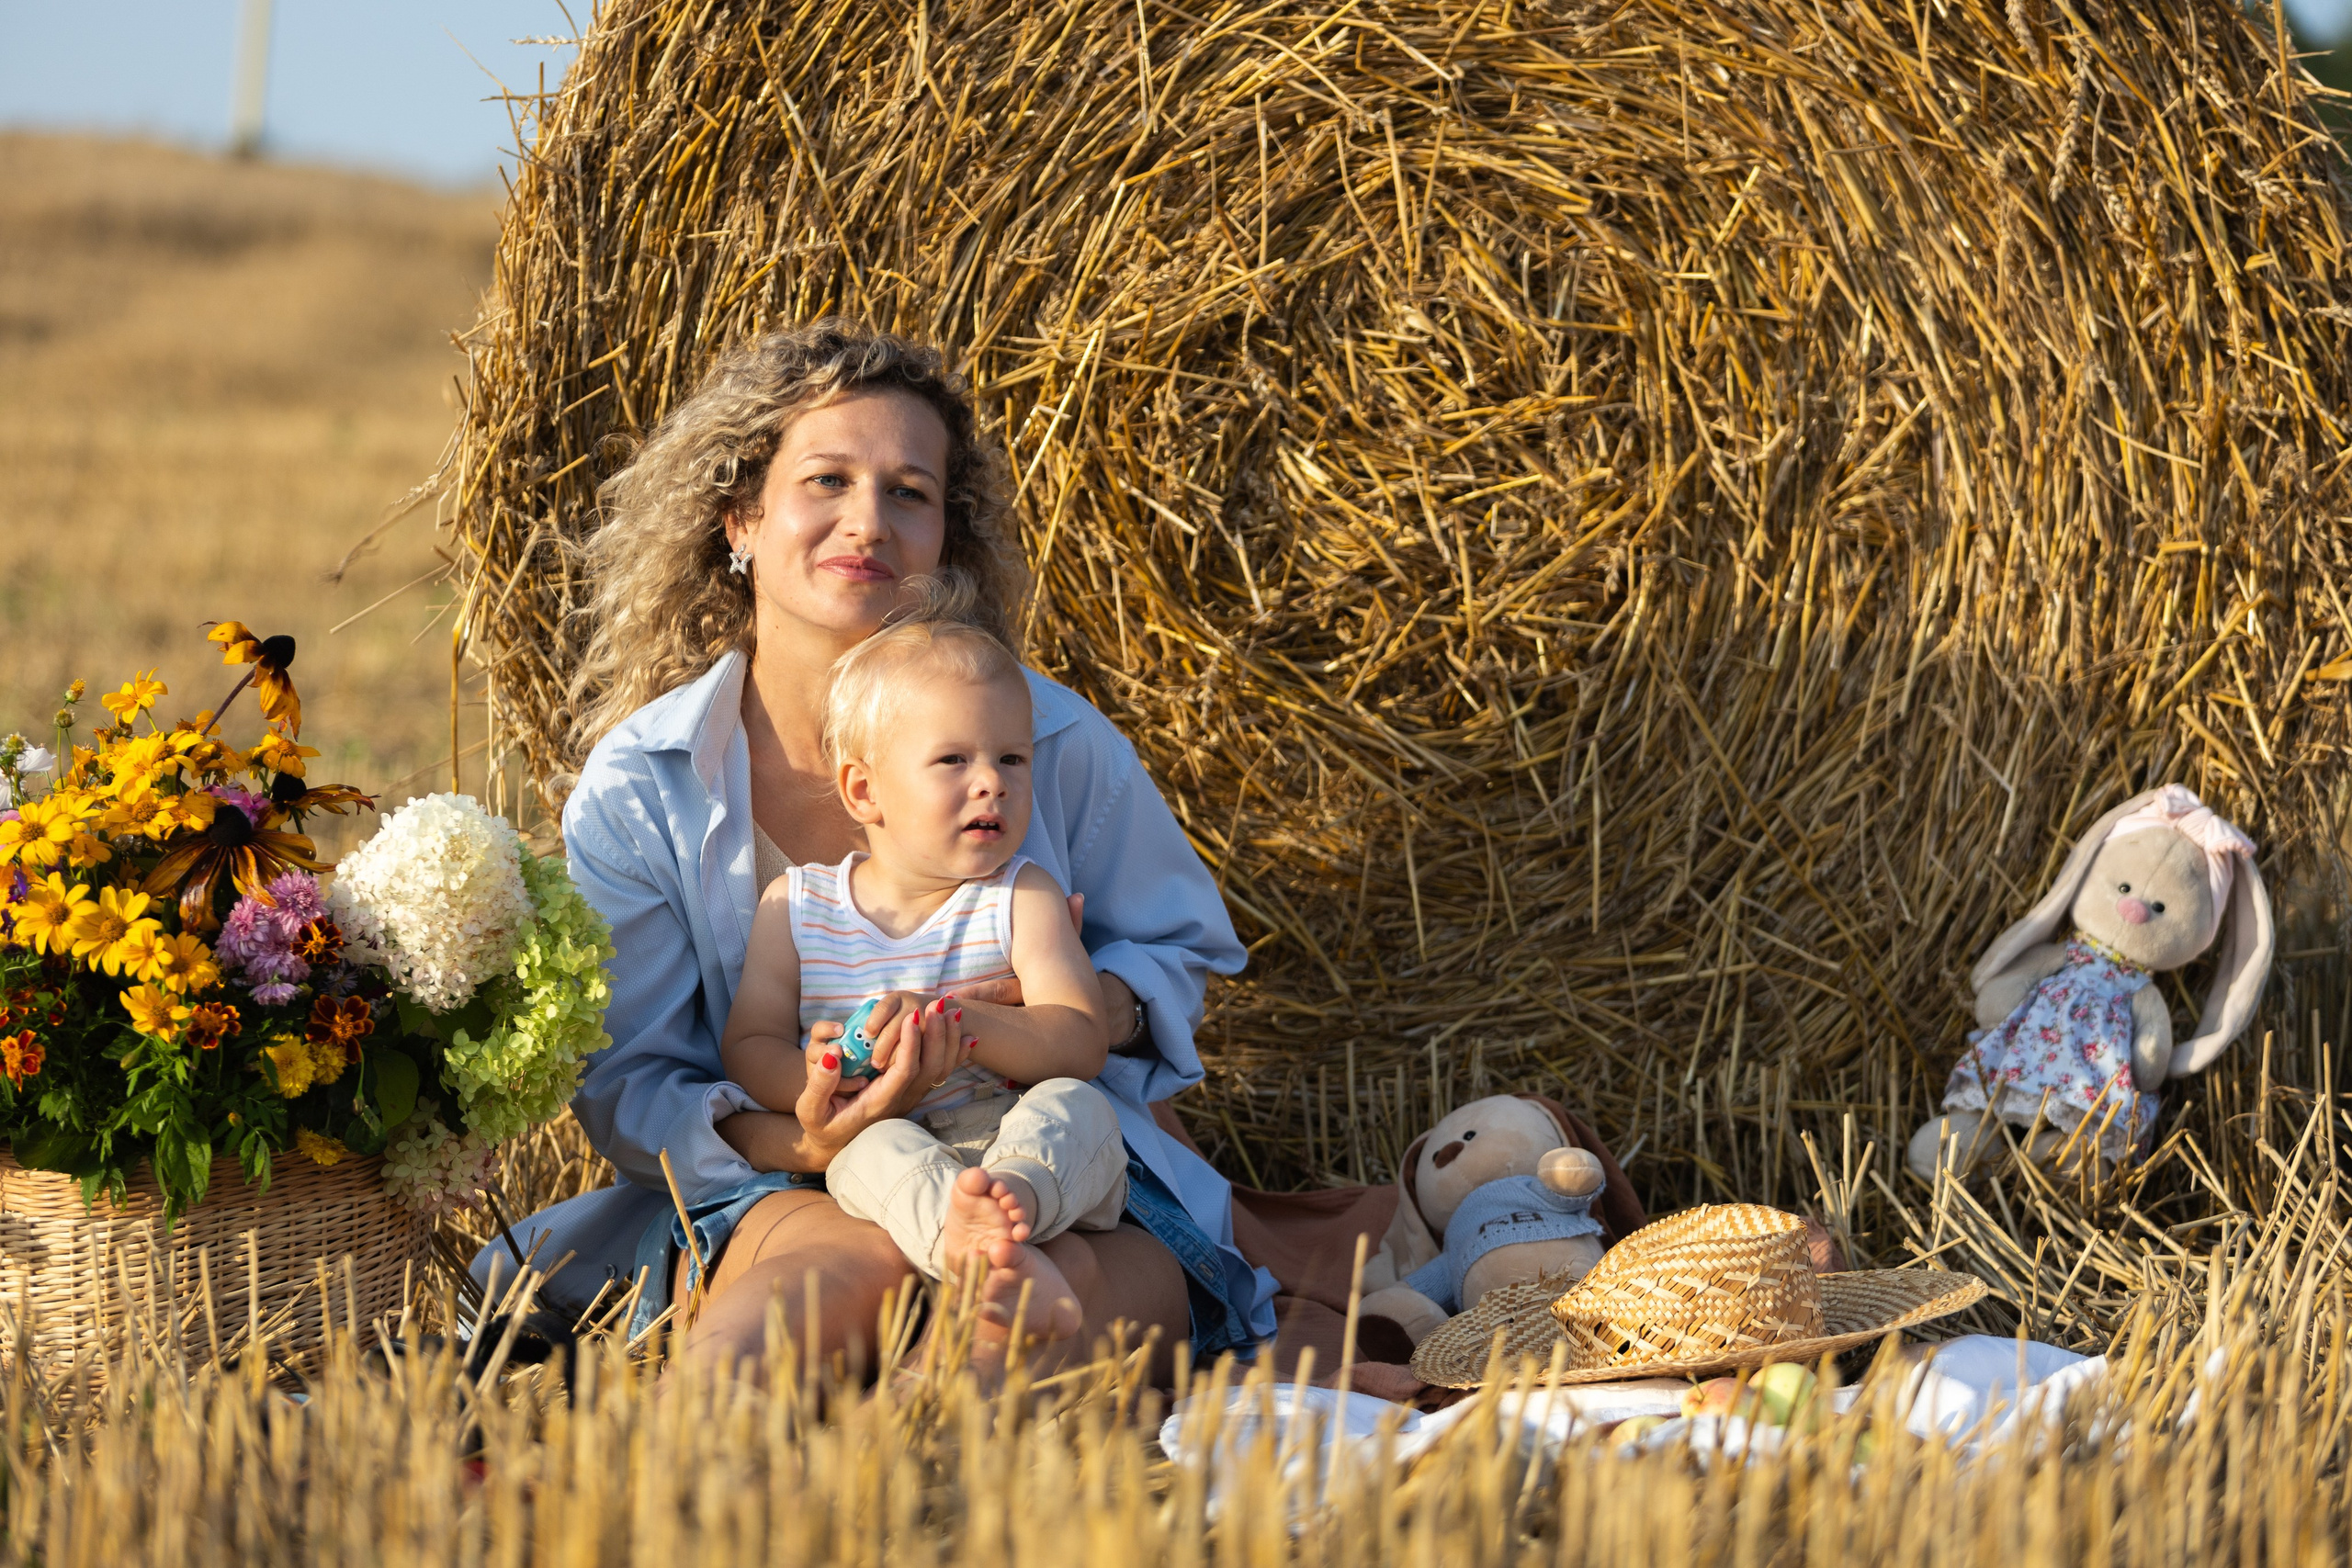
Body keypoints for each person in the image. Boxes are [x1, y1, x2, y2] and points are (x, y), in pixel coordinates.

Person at [472, 320, 1275, 1376]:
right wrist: (810, 1139)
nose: (868, 522)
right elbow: (633, 1082)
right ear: (740, 519)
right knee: (842, 1271)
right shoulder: (645, 783)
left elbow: (1176, 953)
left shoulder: (1048, 740)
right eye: (827, 481)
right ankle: (696, 1456)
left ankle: (942, 1452)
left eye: (909, 492)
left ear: (946, 536)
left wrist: (1059, 1011)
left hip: (1039, 1172)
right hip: (781, 1181)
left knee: (1041, 1299)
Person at [718, 588, 1128, 1338]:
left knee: (1078, 1109)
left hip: (1011, 1134)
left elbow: (1080, 1040)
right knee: (868, 1151)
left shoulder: (1021, 894)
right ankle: (979, 1249)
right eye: (953, 759)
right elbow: (749, 1046)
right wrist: (821, 1079)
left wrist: (964, 1022)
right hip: (886, 1134)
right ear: (864, 789)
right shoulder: (798, 908)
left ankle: (1007, 1207)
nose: (992, 780)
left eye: (1012, 758)